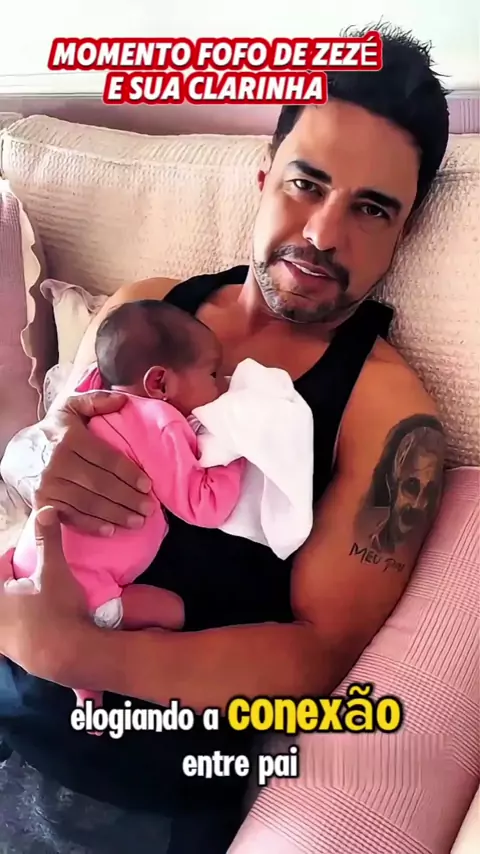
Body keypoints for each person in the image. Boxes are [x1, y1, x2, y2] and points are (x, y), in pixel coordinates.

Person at [0, 23, 449, 854]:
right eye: (307, 184)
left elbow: (317, 658)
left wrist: (78, 655)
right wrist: (38, 451)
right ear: (264, 176)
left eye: (371, 209)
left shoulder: (390, 417)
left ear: (404, 232)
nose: (323, 235)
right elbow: (53, 456)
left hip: (125, 785)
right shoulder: (147, 305)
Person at [11, 299, 245, 715]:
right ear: (159, 383)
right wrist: (236, 454)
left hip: (25, 562)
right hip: (85, 593)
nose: (221, 385)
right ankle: (91, 676)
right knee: (171, 612)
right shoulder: (161, 421)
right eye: (213, 374)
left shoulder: (92, 398)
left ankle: (84, 688)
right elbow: (203, 506)